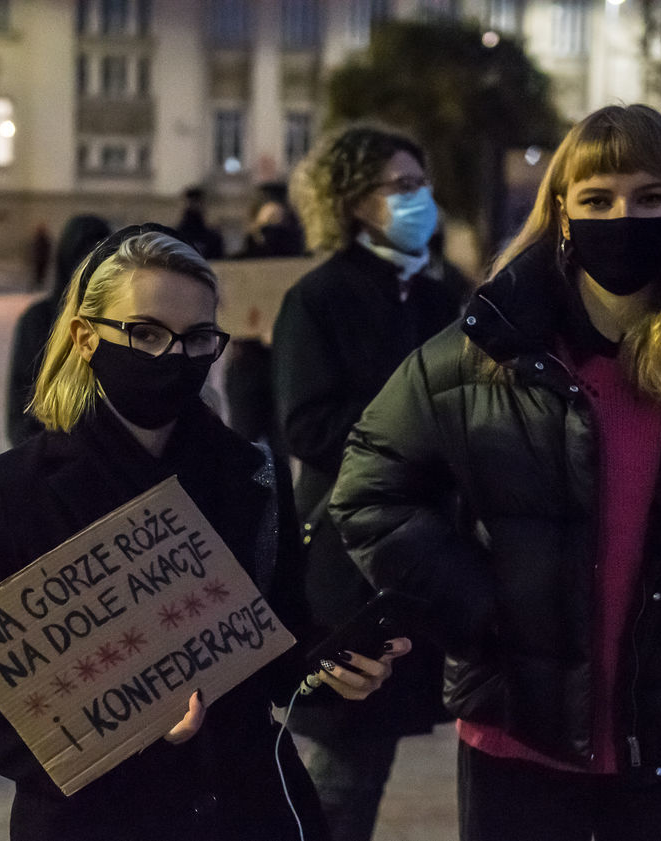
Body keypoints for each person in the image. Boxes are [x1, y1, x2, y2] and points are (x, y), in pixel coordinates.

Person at [328, 104, 661, 841]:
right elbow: (371, 484)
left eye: (650, 196)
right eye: (597, 198)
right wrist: (475, 608)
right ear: (561, 210)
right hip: (519, 731)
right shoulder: (487, 350)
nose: (623, 217)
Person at [0, 224, 410, 841]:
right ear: (85, 337)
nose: (172, 358)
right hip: (94, 823)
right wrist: (115, 743)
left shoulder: (252, 476)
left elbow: (272, 646)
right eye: (145, 334)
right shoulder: (20, 491)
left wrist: (331, 668)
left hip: (242, 809)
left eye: (197, 339)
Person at [271, 125, 470, 841]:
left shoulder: (440, 294)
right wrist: (418, 433)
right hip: (347, 559)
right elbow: (307, 424)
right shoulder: (319, 296)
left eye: (423, 184)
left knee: (371, 754)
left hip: (426, 553)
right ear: (355, 200)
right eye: (402, 186)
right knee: (341, 764)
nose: (421, 199)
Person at [6, 214, 112, 446]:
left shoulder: (119, 325)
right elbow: (21, 413)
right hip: (51, 459)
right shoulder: (38, 321)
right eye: (81, 255)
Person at [175, 185, 226, 259]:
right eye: (191, 203)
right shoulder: (174, 236)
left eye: (196, 203)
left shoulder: (213, 238)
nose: (193, 207)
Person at [30, 222, 52, 290]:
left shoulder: (45, 239)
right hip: (38, 259)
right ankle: (36, 285)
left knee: (42, 273)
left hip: (43, 259)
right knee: (37, 273)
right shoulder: (37, 239)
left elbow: (48, 249)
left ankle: (39, 285)